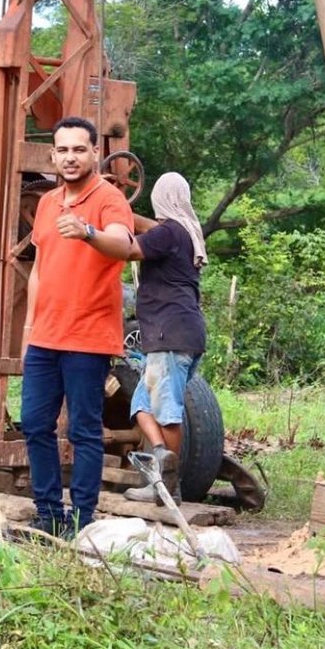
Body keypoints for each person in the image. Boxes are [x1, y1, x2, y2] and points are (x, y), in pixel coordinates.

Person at [22, 116, 134, 537]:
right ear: (53, 155)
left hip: (87, 336)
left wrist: (88, 232)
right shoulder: (49, 203)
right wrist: (30, 327)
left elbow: (123, 243)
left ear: (94, 153)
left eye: (79, 149)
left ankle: (83, 518)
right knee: (34, 424)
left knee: (84, 429)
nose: (70, 157)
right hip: (45, 337)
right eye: (63, 150)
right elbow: (38, 269)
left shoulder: (109, 199)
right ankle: (48, 512)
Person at [122, 172, 208, 505]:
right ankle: (161, 460)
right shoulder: (185, 231)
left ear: (159, 197)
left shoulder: (169, 233)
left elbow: (127, 249)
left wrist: (94, 231)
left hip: (169, 335)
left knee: (167, 411)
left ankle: (170, 486)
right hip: (184, 332)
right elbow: (145, 226)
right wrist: (115, 207)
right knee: (141, 405)